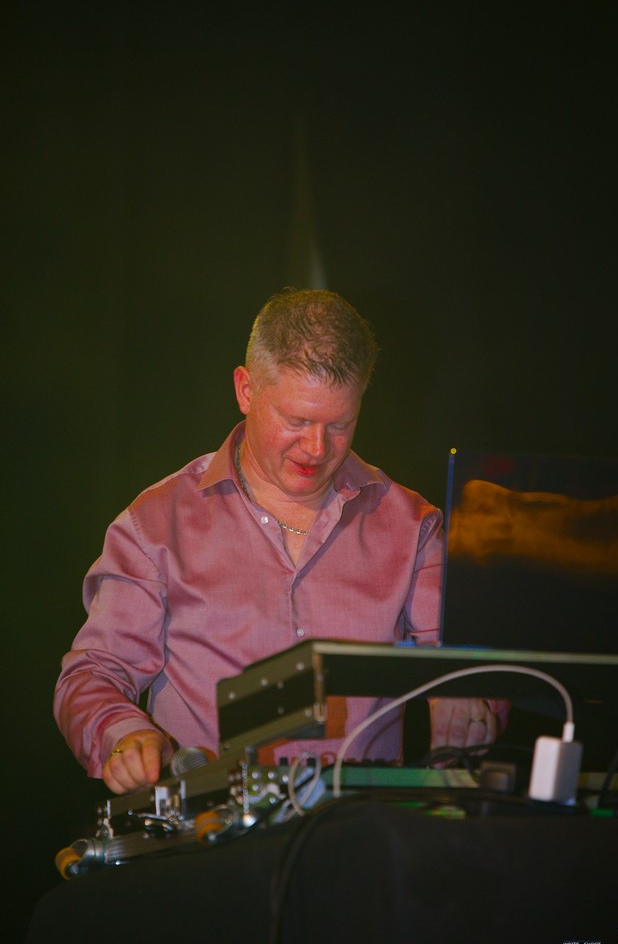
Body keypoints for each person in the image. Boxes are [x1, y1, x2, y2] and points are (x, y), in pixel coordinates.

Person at [54, 288, 506, 796]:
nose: (316, 448)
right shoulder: (157, 524)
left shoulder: (409, 524)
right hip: (209, 825)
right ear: (246, 390)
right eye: (297, 421)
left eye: (340, 425)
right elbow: (94, 673)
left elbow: (474, 666)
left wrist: (467, 695)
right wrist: (124, 734)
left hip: (361, 822)